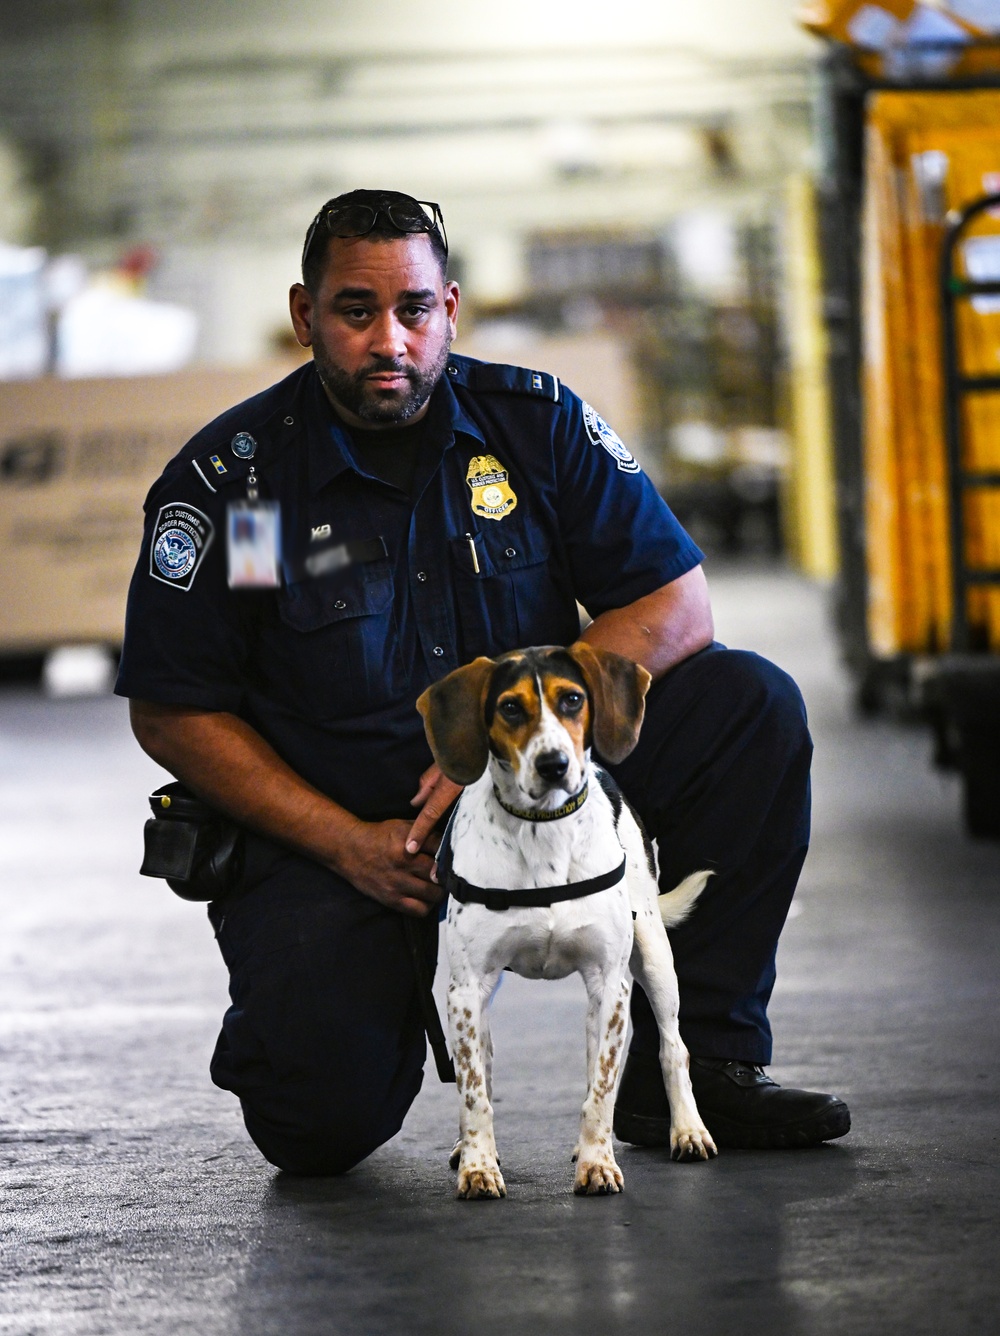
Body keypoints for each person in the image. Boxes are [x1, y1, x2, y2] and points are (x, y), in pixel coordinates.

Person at [116, 188, 850, 1175]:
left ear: (449, 308)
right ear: (304, 316)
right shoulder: (243, 490)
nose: (390, 339)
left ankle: (699, 1059)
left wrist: (484, 763)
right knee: (315, 1126)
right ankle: (329, 1002)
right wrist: (346, 845)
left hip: (533, 789)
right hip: (362, 844)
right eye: (354, 310)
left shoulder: (533, 430)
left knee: (747, 705)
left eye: (414, 309)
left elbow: (675, 605)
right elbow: (176, 706)